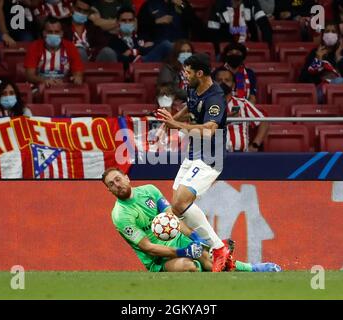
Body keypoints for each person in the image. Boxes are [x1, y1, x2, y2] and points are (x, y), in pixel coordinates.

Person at [103, 167, 282, 272]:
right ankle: (209, 257)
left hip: (180, 240)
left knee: (209, 257)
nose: (117, 185)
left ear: (127, 177)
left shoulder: (150, 190)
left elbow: (173, 219)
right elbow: (148, 248)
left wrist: (194, 236)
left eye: (118, 179)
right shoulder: (120, 215)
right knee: (190, 267)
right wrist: (183, 252)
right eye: (112, 184)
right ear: (109, 191)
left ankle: (252, 268)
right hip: (159, 261)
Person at [156, 53, 232, 272]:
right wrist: (170, 122)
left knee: (180, 201)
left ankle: (218, 248)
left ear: (200, 73)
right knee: (177, 203)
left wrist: (177, 125)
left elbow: (209, 130)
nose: (185, 76)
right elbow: (190, 107)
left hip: (210, 157)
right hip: (192, 154)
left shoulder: (215, 97)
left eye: (188, 72)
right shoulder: (193, 88)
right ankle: (208, 247)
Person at [299, 22, 343, 102]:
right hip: (320, 91)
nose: (330, 34)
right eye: (327, 31)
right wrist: (318, 60)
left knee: (339, 81)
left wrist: (339, 60)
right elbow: (303, 79)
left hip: (339, 91)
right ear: (323, 35)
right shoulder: (315, 53)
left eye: (333, 32)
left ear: (338, 36)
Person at [214, 67, 269, 152]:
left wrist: (255, 144)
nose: (223, 83)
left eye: (227, 80)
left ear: (233, 85)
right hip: (214, 156)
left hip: (240, 155)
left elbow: (263, 122)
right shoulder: (205, 104)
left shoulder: (243, 103)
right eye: (219, 80)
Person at [24, 17, 84, 88]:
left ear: (61, 33)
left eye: (56, 32)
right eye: (50, 32)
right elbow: (29, 76)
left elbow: (78, 72)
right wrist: (44, 80)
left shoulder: (70, 47)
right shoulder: (34, 46)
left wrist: (77, 77)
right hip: (40, 85)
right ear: (44, 33)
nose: (53, 35)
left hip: (64, 86)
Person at [106, 6, 172, 65]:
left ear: (134, 21)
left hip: (147, 66)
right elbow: (120, 58)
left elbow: (155, 47)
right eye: (124, 20)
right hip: (128, 69)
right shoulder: (113, 41)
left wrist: (133, 51)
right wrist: (142, 50)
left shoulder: (143, 37)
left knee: (167, 45)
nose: (127, 23)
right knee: (166, 45)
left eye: (130, 20)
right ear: (118, 22)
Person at [137, 0, 205, 44]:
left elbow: (197, 26)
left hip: (180, 46)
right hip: (157, 46)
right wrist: (156, 21)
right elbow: (140, 27)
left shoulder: (182, 4)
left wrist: (183, 5)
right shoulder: (149, 5)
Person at [207, 0, 273, 45]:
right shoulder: (219, 5)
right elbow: (212, 32)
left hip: (249, 44)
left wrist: (267, 45)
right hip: (228, 46)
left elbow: (264, 24)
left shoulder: (251, 2)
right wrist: (218, 51)